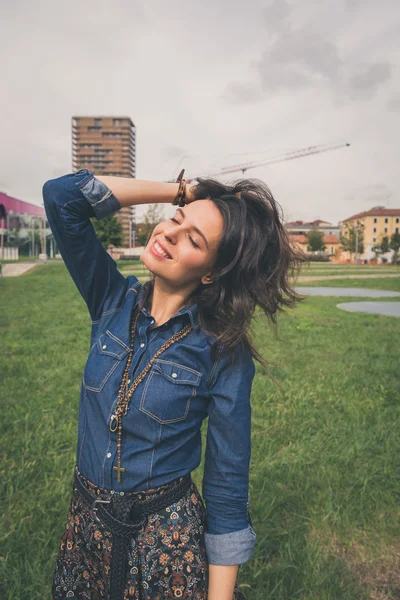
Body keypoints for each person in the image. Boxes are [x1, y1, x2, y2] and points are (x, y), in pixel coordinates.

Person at [43, 167, 304, 600]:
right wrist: (183, 191)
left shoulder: (224, 352)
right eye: (177, 219)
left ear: (211, 274)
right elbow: (62, 197)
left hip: (164, 550)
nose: (168, 233)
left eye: (193, 240)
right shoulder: (110, 298)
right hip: (85, 534)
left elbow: (226, 484)